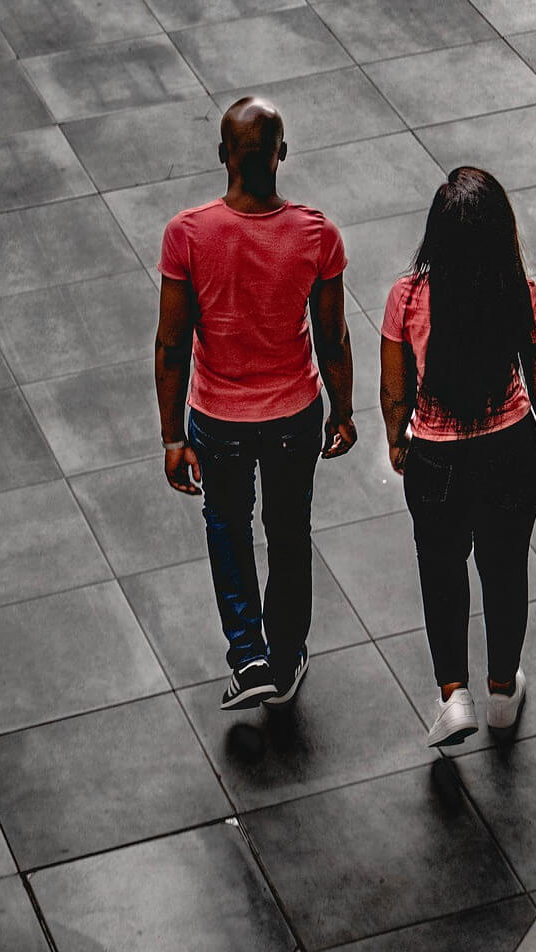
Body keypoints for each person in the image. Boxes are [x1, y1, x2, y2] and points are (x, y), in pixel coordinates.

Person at [155, 96, 356, 711]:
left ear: (223, 157)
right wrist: (343, 411)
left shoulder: (187, 235)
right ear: (282, 155)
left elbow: (171, 344)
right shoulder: (316, 234)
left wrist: (171, 436)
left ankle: (249, 657)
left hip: (216, 418)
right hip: (295, 412)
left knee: (227, 529)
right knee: (289, 531)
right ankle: (287, 653)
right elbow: (332, 337)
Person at [379, 166, 536, 747]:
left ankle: (454, 696)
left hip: (437, 463)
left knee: (441, 573)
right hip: (512, 454)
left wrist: (399, 437)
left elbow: (395, 390)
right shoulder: (523, 297)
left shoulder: (408, 297)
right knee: (505, 571)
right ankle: (503, 690)